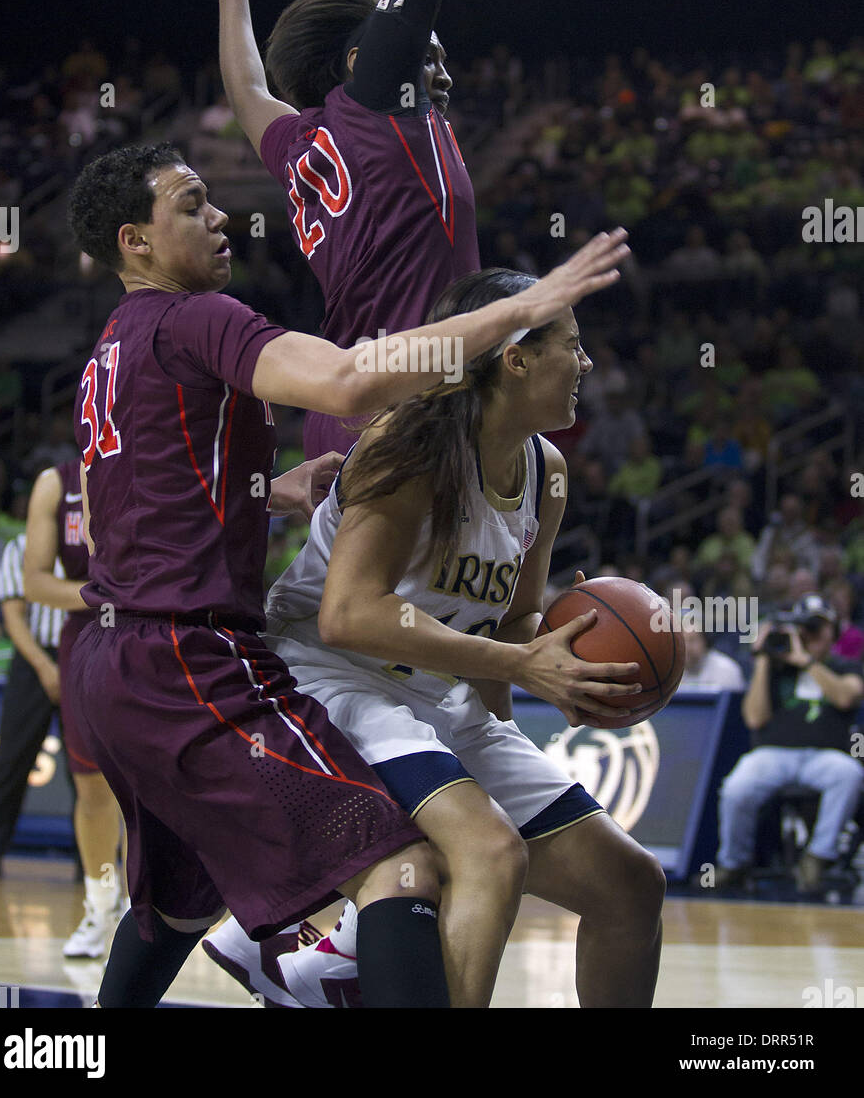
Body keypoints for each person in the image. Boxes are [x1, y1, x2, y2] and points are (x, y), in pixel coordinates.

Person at [66, 139, 630, 1008]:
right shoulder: (198, 317)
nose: (219, 216)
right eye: (191, 204)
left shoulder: (113, 344)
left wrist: (262, 492)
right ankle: (321, 968)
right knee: (403, 869)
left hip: (112, 661)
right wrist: (536, 301)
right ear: (135, 241)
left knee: (178, 905)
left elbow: (124, 513)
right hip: (188, 658)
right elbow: (350, 379)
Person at [206, 268, 663, 1009]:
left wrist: (561, 669)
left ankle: (330, 964)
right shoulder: (410, 439)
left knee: (630, 884)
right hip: (326, 676)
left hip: (433, 690)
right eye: (571, 346)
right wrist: (518, 660)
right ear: (515, 357)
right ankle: (330, 957)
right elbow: (348, 613)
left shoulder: (546, 470)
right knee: (487, 853)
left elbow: (513, 620)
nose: (586, 364)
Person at [191, 0, 482, 460]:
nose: (442, 72)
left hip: (344, 409)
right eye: (430, 55)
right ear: (363, 60)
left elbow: (247, 88)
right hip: (406, 407)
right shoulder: (379, 100)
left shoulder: (301, 141)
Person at [23, 458, 125, 959]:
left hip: (149, 634)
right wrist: (101, 595)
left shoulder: (153, 462)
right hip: (84, 639)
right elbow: (36, 583)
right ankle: (99, 903)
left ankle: (143, 900)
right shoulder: (53, 483)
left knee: (149, 783)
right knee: (91, 787)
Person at [713, 594, 864, 895]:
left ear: (832, 633)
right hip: (773, 754)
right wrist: (764, 660)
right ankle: (734, 864)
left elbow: (846, 697)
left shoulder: (845, 666)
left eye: (817, 628)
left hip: (825, 756)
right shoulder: (776, 669)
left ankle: (817, 858)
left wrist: (806, 661)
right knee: (736, 786)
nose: (810, 635)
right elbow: (754, 719)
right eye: (804, 628)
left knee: (849, 774)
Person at [0, 532, 64, 881]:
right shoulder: (21, 546)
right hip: (31, 659)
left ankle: (94, 867)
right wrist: (44, 666)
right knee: (11, 759)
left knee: (91, 771)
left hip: (84, 655)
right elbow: (13, 616)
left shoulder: (95, 538)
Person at [675, 622, 745, 693]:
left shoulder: (727, 670)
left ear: (706, 642)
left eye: (692, 641)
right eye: (683, 641)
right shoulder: (673, 671)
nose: (687, 647)